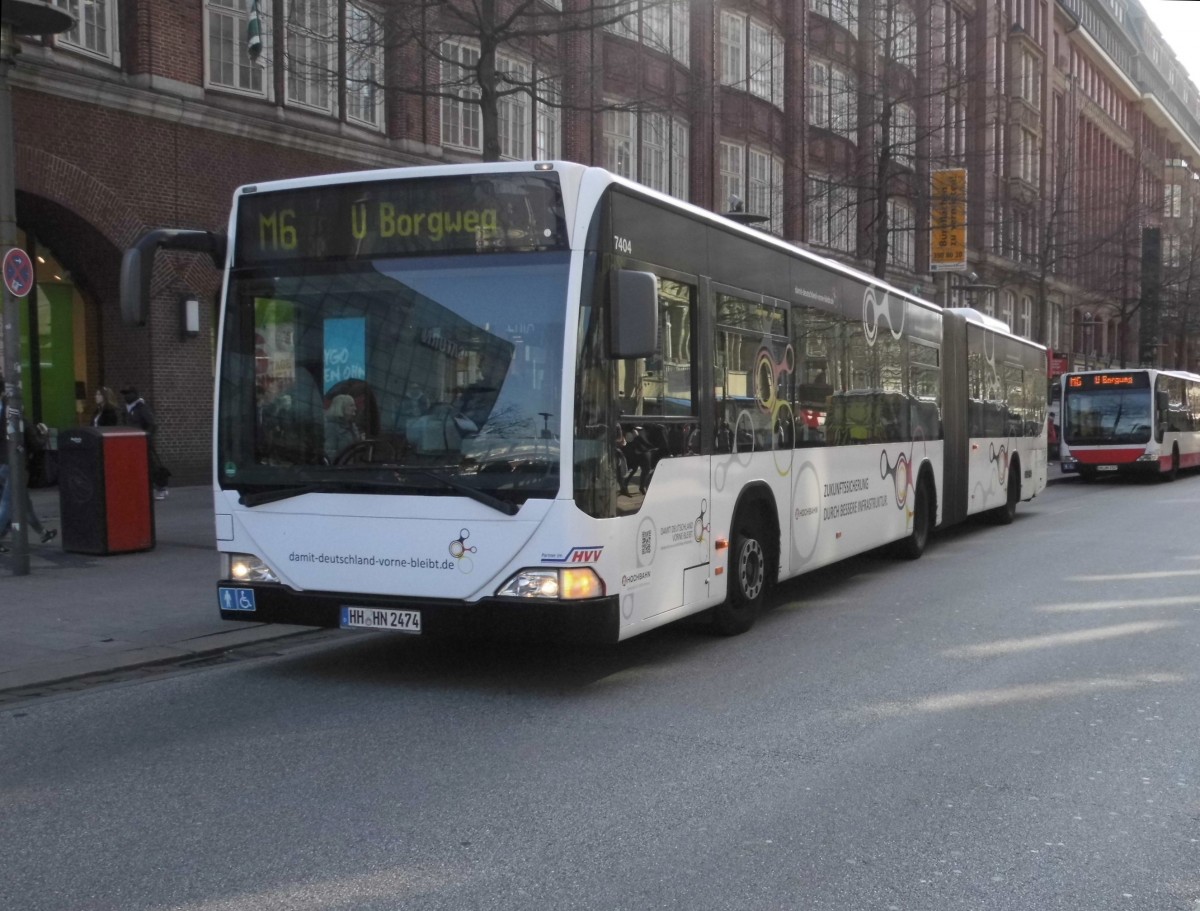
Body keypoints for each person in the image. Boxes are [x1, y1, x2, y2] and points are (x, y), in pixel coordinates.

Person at [0, 372, 57, 552]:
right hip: (14, 465)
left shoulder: (3, 413)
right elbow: (36, 444)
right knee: (8, 504)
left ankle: (42, 532)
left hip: (2, 464)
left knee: (24, 503)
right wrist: (44, 433)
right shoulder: (18, 417)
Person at [121, 386, 171, 500]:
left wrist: (146, 436)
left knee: (151, 465)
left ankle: (161, 487)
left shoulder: (141, 407)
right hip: (130, 442)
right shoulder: (126, 409)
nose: (125, 396)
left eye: (128, 394)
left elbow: (152, 424)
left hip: (142, 442)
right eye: (124, 394)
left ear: (134, 394)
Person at [324, 393, 362, 460]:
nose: (355, 408)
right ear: (341, 407)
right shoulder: (331, 427)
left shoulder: (352, 426)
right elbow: (330, 453)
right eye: (351, 405)